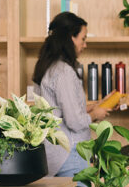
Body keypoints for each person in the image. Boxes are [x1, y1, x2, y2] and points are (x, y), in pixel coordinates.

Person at [34, 12, 110, 177]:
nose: (85, 44)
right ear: (70, 38)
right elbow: (74, 121)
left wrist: (94, 107)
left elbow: (59, 111)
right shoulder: (64, 72)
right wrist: (96, 114)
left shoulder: (48, 68)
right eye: (83, 39)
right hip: (70, 155)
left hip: (54, 154)